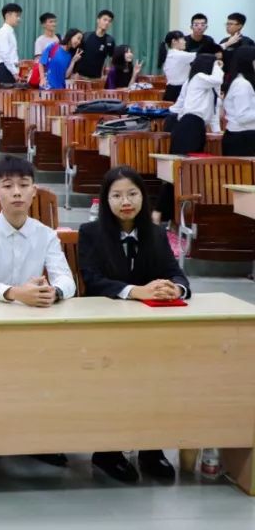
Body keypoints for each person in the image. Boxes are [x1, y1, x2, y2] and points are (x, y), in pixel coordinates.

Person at [78, 166, 189, 484]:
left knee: (155, 378)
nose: (125, 201)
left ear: (143, 196)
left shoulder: (155, 233)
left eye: (132, 194)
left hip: (149, 327)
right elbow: (93, 280)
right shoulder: (91, 232)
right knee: (112, 384)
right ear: (106, 200)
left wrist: (175, 288)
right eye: (116, 195)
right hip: (105, 326)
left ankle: (151, 450)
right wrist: (135, 291)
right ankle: (107, 452)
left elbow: (175, 272)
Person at [0, 156, 76, 305]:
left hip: (31, 310)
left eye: (24, 185)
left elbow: (66, 279)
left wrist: (54, 292)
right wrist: (15, 293)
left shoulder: (46, 234)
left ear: (34, 190)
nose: (17, 192)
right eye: (8, 186)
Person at [154, 54, 224, 223]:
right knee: (178, 171)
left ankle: (173, 217)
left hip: (197, 128)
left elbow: (214, 113)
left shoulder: (208, 85)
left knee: (186, 173)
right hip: (188, 126)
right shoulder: (199, 78)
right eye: (213, 64)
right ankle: (158, 213)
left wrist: (217, 132)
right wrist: (217, 65)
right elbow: (218, 78)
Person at [222, 46, 255, 156]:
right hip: (241, 138)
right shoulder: (242, 84)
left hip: (242, 136)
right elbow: (243, 117)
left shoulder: (243, 82)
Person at [75, 10, 115, 80]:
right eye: (105, 20)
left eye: (109, 21)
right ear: (98, 20)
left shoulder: (110, 41)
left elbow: (112, 58)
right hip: (80, 77)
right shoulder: (86, 36)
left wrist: (108, 73)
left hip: (97, 79)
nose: (107, 23)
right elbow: (76, 54)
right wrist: (74, 72)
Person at [161, 30, 196, 102]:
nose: (185, 42)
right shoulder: (179, 55)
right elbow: (201, 55)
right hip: (179, 91)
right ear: (174, 41)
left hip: (170, 90)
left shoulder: (170, 53)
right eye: (182, 39)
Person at [0, 2, 22, 84]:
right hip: (5, 70)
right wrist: (14, 73)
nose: (19, 19)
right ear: (7, 15)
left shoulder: (10, 32)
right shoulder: (4, 32)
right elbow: (5, 55)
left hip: (9, 69)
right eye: (17, 16)